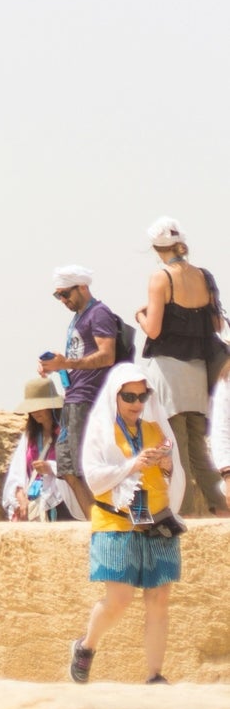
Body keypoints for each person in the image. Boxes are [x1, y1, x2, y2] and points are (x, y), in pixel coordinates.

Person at [69, 363, 185, 684]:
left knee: (159, 599)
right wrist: (132, 464)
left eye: (142, 395)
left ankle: (154, 675)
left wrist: (165, 465)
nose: (136, 403)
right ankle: (86, 646)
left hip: (158, 522)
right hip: (116, 522)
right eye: (129, 396)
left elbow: (175, 475)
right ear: (115, 396)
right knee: (119, 600)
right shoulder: (102, 429)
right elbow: (93, 477)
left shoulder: (154, 429)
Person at [135, 217, 230, 518]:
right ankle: (220, 507)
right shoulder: (204, 276)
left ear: (154, 247)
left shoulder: (160, 278)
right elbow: (216, 324)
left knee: (176, 447)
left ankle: (185, 514)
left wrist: (139, 315)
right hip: (199, 371)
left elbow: (153, 330)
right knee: (199, 448)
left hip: (170, 371)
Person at [39, 265, 122, 515]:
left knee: (81, 468)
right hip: (75, 396)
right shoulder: (80, 317)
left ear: (83, 287)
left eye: (65, 294)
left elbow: (107, 356)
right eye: (58, 296)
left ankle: (102, 524)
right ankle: (96, 522)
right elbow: (80, 355)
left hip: (87, 398)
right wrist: (57, 366)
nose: (63, 300)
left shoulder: (98, 314)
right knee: (68, 469)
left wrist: (67, 363)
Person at [0, 378, 83, 522]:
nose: (35, 411)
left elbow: (78, 468)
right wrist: (19, 496)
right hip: (34, 503)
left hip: (62, 504)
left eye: (40, 406)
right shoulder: (29, 437)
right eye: (32, 407)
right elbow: (17, 473)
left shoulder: (67, 433)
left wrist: (51, 467)